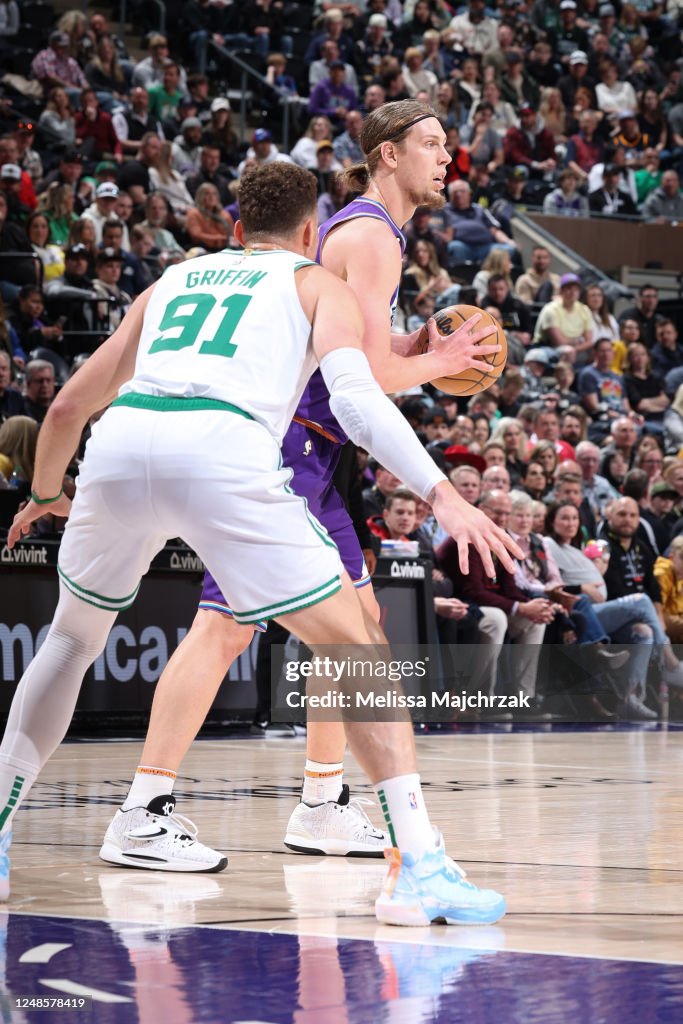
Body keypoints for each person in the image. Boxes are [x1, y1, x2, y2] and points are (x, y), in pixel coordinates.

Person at [0, 160, 518, 925]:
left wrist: (45, 494)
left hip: (123, 439)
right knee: (356, 646)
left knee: (72, 643)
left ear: (236, 230)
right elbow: (357, 400)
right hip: (224, 449)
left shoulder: (176, 277)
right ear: (313, 234)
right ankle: (418, 869)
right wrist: (442, 493)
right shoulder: (318, 284)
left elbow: (72, 402)